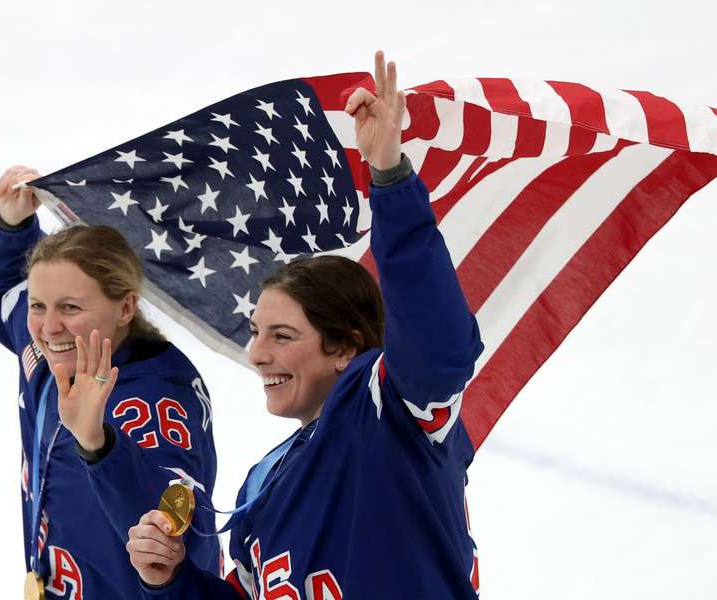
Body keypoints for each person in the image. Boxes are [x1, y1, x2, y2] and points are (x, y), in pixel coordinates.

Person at [125, 51, 485, 599]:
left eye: (283, 336)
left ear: (345, 347)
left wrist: (388, 176)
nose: (257, 355)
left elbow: (440, 343)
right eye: (255, 332)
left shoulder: (393, 416)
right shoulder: (264, 481)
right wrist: (171, 578)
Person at [0, 177, 222, 599]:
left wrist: (97, 444)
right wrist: (8, 226)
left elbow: (169, 526)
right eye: (39, 305)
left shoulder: (158, 397)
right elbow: (0, 294)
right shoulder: (46, 349)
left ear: (125, 306)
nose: (50, 327)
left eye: (71, 307)